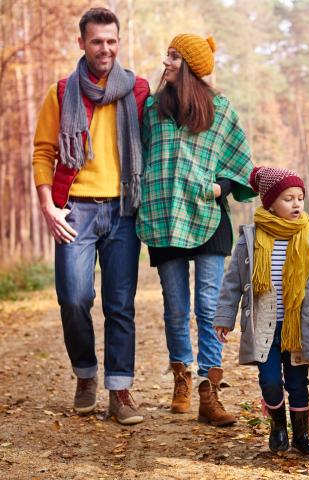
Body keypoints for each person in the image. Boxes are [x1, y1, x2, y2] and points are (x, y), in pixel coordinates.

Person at [31, 8, 149, 425]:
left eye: (112, 41)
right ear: (82, 43)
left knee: (121, 305)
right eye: (97, 41)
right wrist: (48, 205)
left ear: (119, 42)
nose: (106, 48)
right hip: (74, 209)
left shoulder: (137, 90)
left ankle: (120, 391)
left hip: (123, 209)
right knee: (74, 298)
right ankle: (85, 374)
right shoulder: (62, 91)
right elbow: (44, 151)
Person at [136, 33, 255, 426]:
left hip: (208, 217)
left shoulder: (220, 109)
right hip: (164, 216)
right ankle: (181, 376)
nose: (165, 61)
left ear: (189, 65)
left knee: (207, 305)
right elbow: (141, 155)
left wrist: (219, 186)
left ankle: (209, 388)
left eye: (173, 56)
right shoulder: (152, 107)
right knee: (175, 308)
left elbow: (240, 160)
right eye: (167, 54)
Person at [213, 166, 309, 455]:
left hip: (298, 325)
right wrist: (224, 317)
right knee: (270, 381)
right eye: (288, 198)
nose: (296, 204)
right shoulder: (250, 239)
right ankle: (278, 426)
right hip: (263, 324)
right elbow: (232, 281)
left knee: (298, 382)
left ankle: (301, 436)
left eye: (300, 197)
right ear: (269, 203)